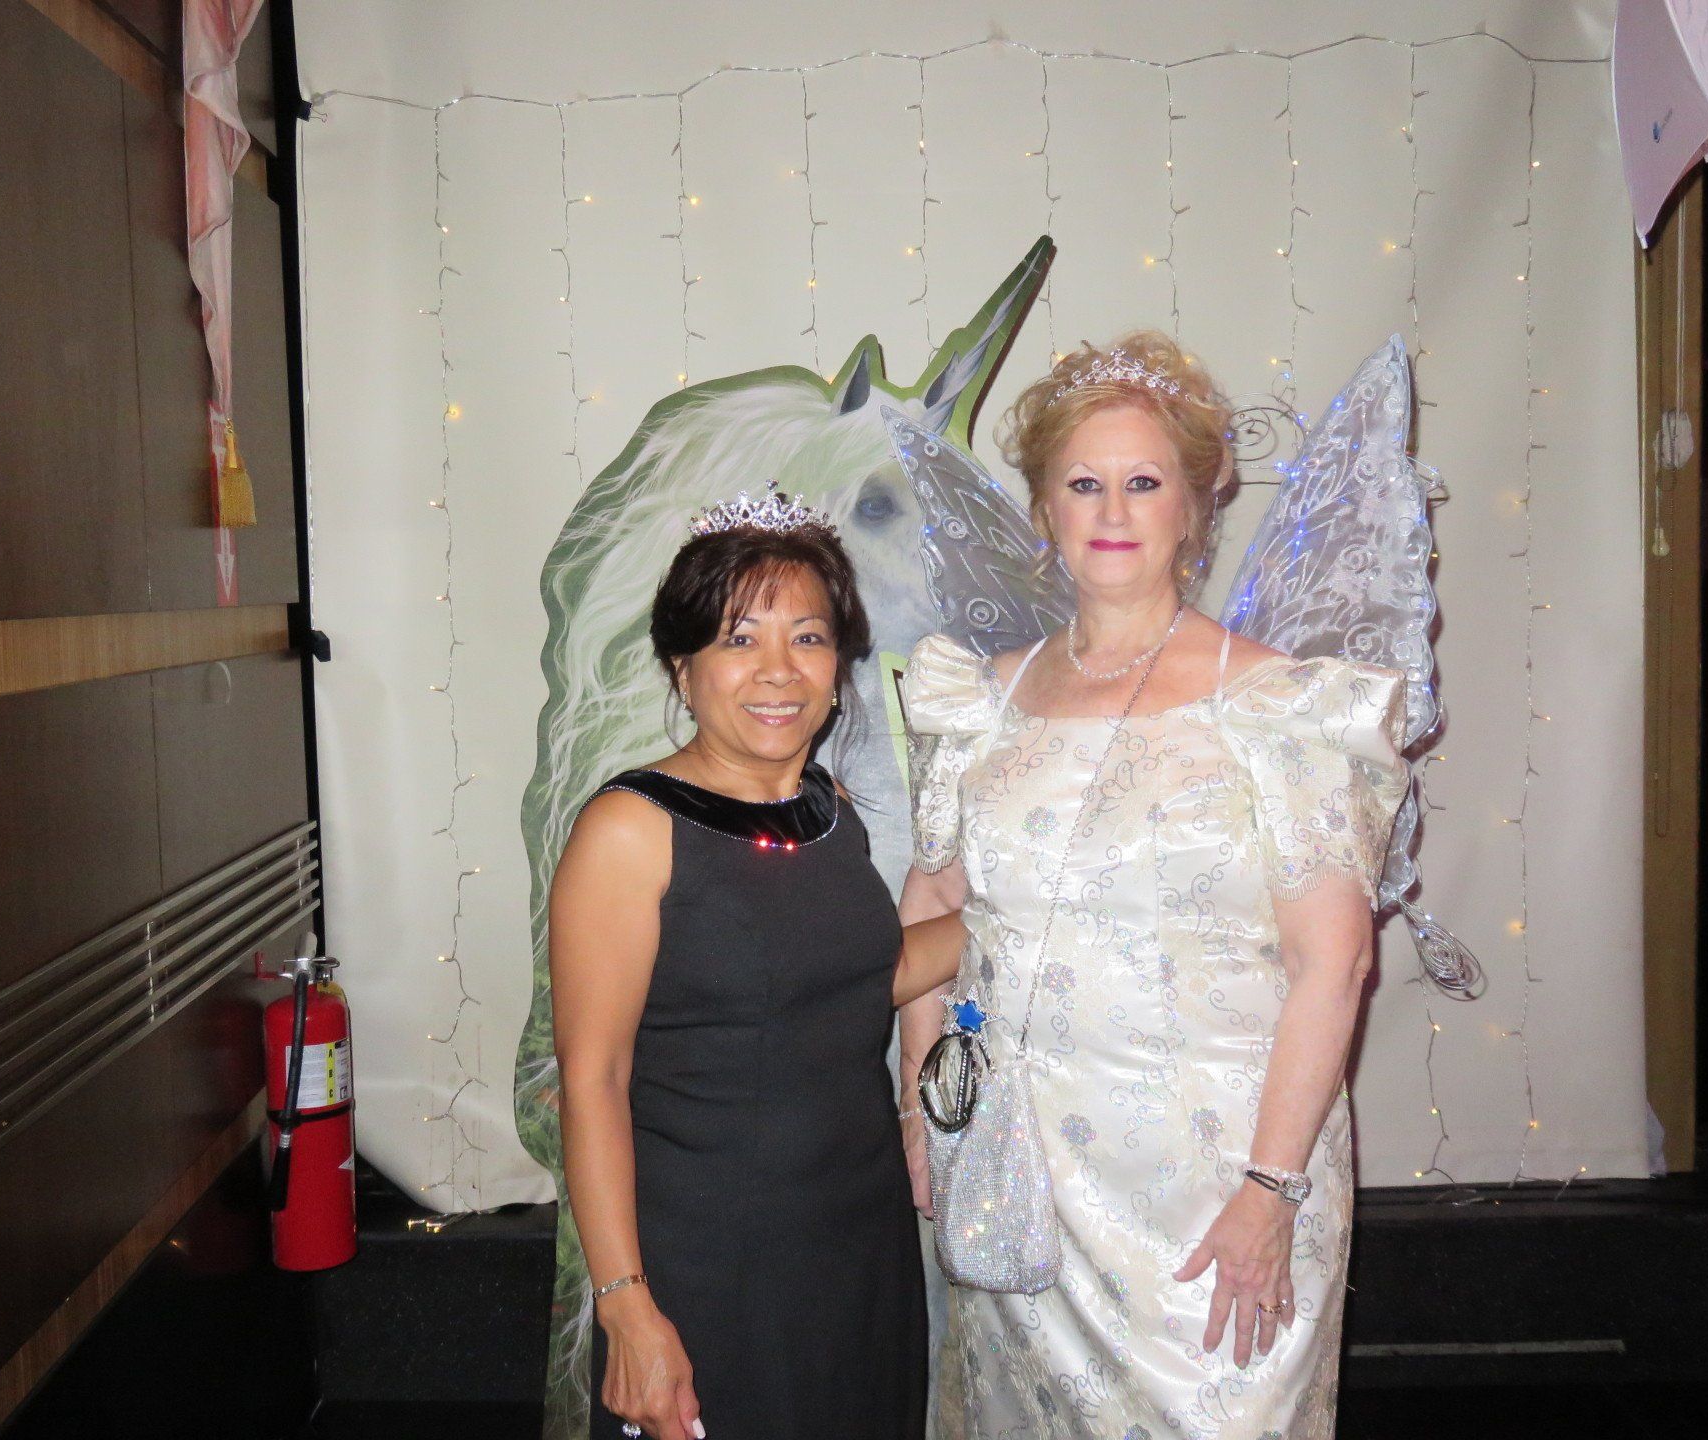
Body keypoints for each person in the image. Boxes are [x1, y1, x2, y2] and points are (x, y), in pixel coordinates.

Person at [896, 334, 1410, 1438]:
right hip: (1023, 1177)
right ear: (1044, 509)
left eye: (1143, 482)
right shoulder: (979, 702)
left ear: (1195, 505)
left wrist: (1271, 1192)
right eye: (1084, 484)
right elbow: (936, 910)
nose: (1113, 511)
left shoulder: (1277, 706)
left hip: (1220, 1184)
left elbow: (1336, 962)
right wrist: (921, 1115)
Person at [551, 486, 965, 1440]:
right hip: (711, 1264)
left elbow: (856, 986)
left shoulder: (829, 810)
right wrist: (626, 1306)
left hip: (858, 1245)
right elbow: (592, 1078)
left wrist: (1021, 910)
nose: (778, 671)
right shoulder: (631, 830)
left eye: (808, 638)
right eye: (740, 639)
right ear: (683, 666)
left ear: (838, 666)